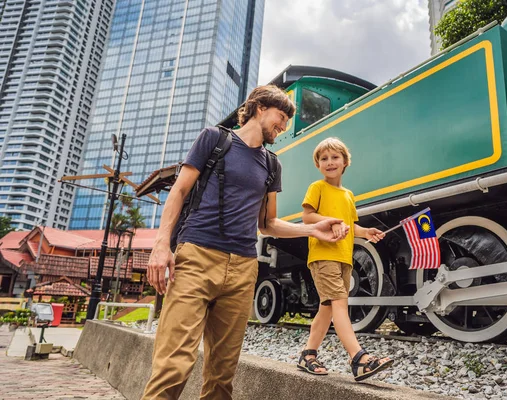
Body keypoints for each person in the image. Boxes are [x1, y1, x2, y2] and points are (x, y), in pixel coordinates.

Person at [142, 85, 346, 400]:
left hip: (242, 269)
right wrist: (161, 245)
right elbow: (179, 192)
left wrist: (314, 231)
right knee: (174, 365)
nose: (284, 126)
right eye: (281, 116)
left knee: (222, 376)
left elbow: (267, 224)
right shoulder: (215, 139)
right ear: (260, 107)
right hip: (196, 256)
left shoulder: (272, 164)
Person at [296, 137, 394, 382]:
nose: (329, 162)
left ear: (345, 162)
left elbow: (351, 225)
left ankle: (308, 355)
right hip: (323, 254)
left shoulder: (348, 195)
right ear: (318, 164)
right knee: (340, 303)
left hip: (344, 258)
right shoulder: (317, 187)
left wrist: (366, 232)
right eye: (324, 158)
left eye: (334, 157)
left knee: (327, 308)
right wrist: (333, 222)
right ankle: (358, 358)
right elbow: (307, 218)